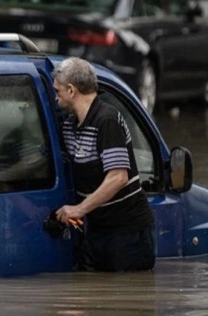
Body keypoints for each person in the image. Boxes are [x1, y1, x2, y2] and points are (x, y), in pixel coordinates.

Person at [52, 57, 156, 271]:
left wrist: (79, 209)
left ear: (71, 90)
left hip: (128, 234)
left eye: (58, 91)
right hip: (97, 231)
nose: (55, 98)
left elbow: (118, 177)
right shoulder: (70, 126)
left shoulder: (106, 120)